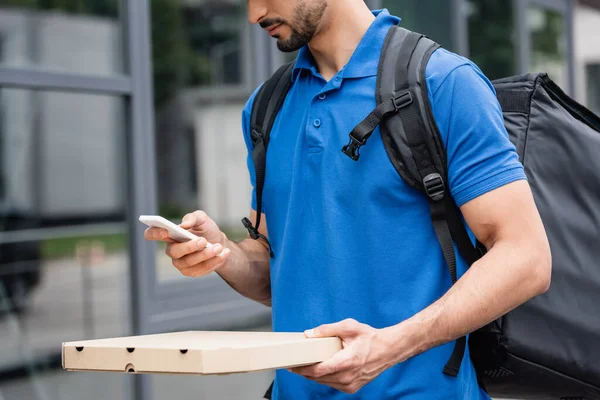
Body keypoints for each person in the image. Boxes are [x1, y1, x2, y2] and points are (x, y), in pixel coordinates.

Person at [144, 0, 552, 399]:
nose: (254, 14)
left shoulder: (444, 83)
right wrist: (223, 254)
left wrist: (390, 346)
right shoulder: (265, 108)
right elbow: (277, 271)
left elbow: (527, 257)